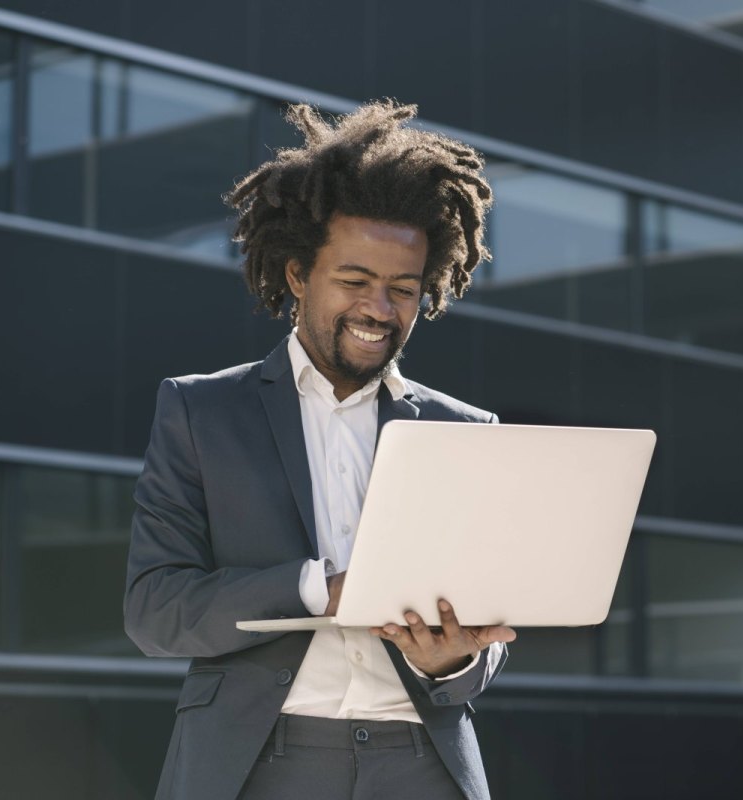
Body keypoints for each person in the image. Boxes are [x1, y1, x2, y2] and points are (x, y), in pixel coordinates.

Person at [124, 99, 515, 800]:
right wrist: (323, 590)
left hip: (423, 760)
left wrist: (451, 662)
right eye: (355, 282)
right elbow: (156, 610)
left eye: (404, 290)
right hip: (260, 763)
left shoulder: (465, 431)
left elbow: (482, 641)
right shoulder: (202, 411)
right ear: (299, 275)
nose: (380, 309)